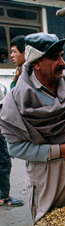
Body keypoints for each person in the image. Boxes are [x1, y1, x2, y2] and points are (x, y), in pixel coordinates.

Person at [0, 32, 65, 223]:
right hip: (45, 182)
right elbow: (15, 148)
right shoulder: (17, 99)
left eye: (61, 55)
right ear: (36, 63)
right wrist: (59, 151)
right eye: (54, 58)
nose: (62, 63)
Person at [0, 35, 26, 207]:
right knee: (3, 161)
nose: (11, 56)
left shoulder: (25, 73)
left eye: (14, 52)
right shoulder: (22, 73)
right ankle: (3, 196)